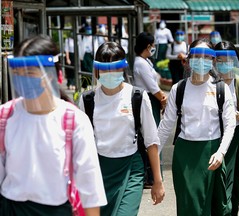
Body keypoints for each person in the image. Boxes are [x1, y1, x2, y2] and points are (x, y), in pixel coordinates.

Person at [0, 34, 107, 215]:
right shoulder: (5, 116)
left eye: (30, 73)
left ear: (51, 75)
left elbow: (90, 188)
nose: (22, 80)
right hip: (11, 209)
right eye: (17, 74)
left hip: (58, 210)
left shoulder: (74, 121)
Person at [79, 41, 165, 216]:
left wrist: (158, 181)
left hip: (131, 169)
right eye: (104, 69)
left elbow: (151, 141)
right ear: (96, 70)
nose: (109, 73)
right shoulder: (87, 100)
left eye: (115, 68)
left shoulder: (137, 97)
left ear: (123, 68)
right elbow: (80, 144)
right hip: (99, 170)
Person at [158, 38, 236, 216]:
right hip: (185, 156)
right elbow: (165, 126)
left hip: (212, 153)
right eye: (196, 56)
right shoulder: (179, 89)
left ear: (212, 60)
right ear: (188, 59)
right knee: (190, 206)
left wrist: (221, 152)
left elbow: (230, 124)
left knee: (220, 207)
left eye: (206, 56)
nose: (201, 60)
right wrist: (151, 160)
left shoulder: (221, 89)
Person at [215, 41, 239, 215]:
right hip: (214, 134)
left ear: (234, 61)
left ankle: (232, 211)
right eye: (219, 59)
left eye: (227, 59)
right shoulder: (209, 82)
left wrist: (233, 114)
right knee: (218, 180)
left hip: (235, 136)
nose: (223, 63)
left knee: (232, 179)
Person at [133, 32, 167, 188]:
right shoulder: (140, 63)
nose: (154, 48)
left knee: (155, 135)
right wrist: (163, 99)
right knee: (151, 137)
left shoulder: (145, 61)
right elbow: (152, 86)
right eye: (152, 45)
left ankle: (153, 175)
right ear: (148, 46)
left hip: (152, 99)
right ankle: (150, 175)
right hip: (147, 100)